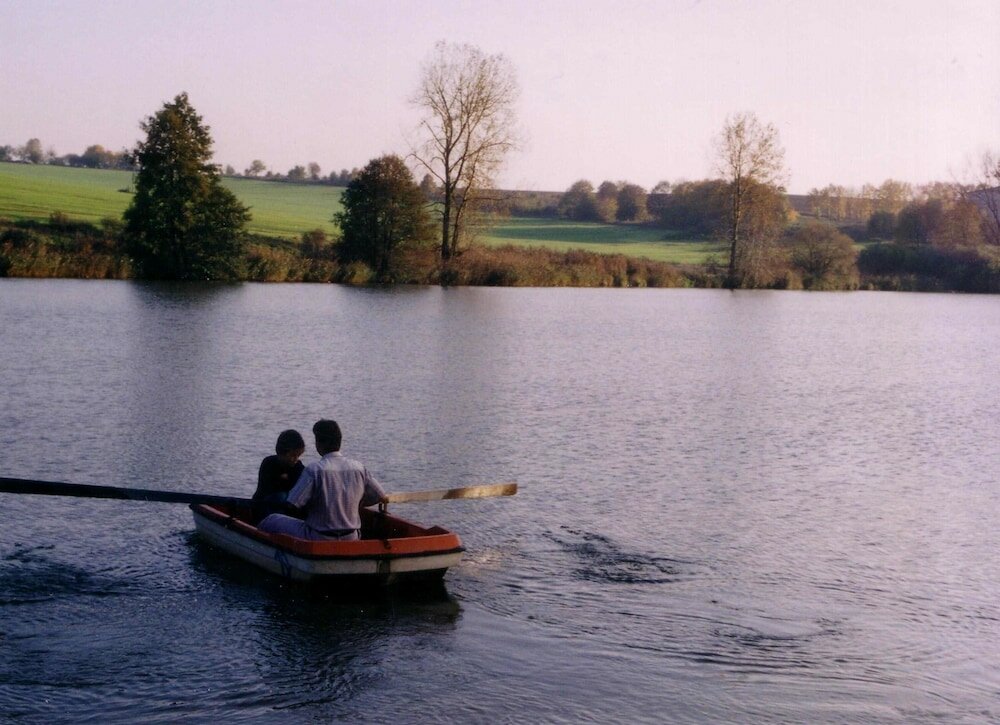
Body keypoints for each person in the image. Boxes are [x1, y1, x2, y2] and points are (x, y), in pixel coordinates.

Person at [258, 419, 387, 541]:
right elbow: (381, 496)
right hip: (351, 537)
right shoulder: (359, 468)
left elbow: (292, 504)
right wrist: (357, 502)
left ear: (319, 444)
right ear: (339, 441)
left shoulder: (314, 470)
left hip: (319, 537)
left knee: (271, 520)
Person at [251, 429, 306, 524]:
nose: (295, 459)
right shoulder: (269, 463)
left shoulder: (299, 467)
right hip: (265, 505)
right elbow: (268, 488)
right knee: (281, 497)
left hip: (287, 508)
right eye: (292, 455)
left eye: (298, 456)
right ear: (280, 452)